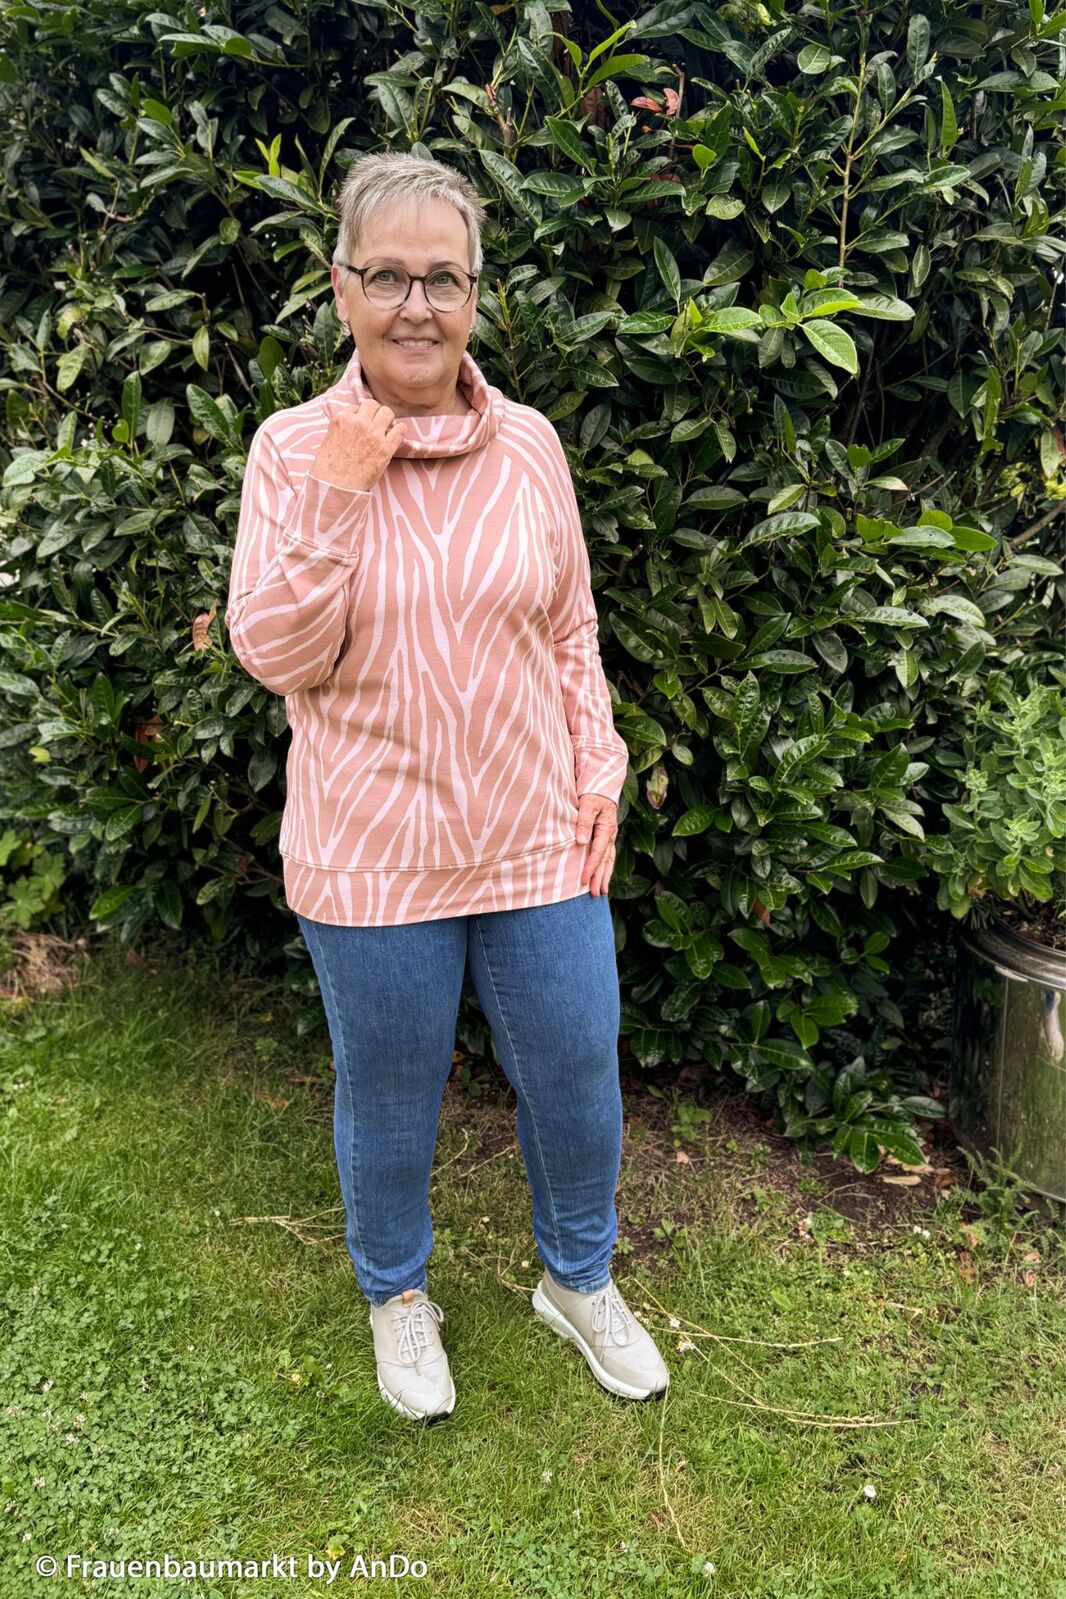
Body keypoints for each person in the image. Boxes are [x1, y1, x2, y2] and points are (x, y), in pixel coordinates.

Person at [225, 149, 670, 1423]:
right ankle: (397, 1294)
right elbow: (274, 654)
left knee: (576, 1070)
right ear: (342, 288)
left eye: (443, 278)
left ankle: (577, 1279)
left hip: (534, 837)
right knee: (389, 1094)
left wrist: (598, 768)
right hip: (371, 851)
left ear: (475, 294)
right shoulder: (291, 450)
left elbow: (569, 627)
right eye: (388, 277)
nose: (415, 306)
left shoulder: (528, 445)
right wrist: (340, 490)